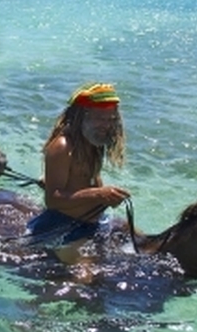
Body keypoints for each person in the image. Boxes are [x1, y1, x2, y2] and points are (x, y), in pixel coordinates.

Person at [25, 83, 130, 264]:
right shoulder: (62, 147)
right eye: (100, 119)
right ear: (82, 116)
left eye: (111, 119)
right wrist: (98, 194)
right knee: (84, 279)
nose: (106, 125)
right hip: (64, 226)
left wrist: (105, 197)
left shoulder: (93, 140)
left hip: (93, 221)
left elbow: (92, 177)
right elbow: (53, 200)